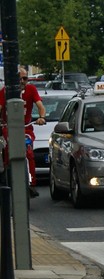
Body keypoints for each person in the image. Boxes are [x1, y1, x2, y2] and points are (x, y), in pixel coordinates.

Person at [0, 67, 46, 197]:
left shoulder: (31, 89)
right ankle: (6, 176)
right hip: (8, 127)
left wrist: (42, 117)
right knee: (7, 150)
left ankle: (31, 184)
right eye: (19, 78)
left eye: (25, 78)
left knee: (29, 152)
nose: (22, 81)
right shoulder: (5, 92)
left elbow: (41, 106)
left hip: (26, 127)